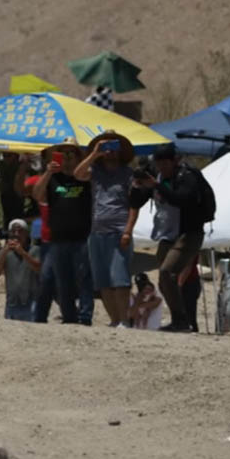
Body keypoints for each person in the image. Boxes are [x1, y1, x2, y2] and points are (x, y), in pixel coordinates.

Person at [134, 143, 212, 332]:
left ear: (174, 161)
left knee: (167, 272)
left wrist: (157, 185)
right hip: (167, 235)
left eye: (165, 164)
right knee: (164, 280)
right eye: (158, 164)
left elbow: (182, 199)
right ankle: (180, 319)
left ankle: (182, 320)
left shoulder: (187, 177)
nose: (162, 168)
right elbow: (136, 201)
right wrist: (138, 185)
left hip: (188, 234)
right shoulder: (158, 177)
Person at [73, 131, 144, 328]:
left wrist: (128, 230)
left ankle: (124, 320)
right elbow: (78, 174)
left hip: (119, 231)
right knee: (102, 280)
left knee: (119, 279)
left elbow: (134, 205)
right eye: (106, 148)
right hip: (97, 232)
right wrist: (94, 154)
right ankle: (114, 320)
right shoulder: (95, 171)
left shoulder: (128, 174)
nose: (110, 152)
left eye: (114, 148)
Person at [33, 139, 94, 325]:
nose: (67, 158)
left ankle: (85, 316)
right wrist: (49, 171)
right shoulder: (53, 178)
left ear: (78, 157)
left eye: (71, 154)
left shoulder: (84, 177)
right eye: (63, 154)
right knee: (63, 280)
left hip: (81, 237)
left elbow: (89, 175)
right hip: (58, 238)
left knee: (84, 278)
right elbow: (37, 194)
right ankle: (69, 317)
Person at [18, 152, 55, 323]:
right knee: (44, 276)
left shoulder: (73, 178)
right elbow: (20, 189)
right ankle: (40, 316)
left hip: (68, 235)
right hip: (44, 234)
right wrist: (23, 166)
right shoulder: (39, 178)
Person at [0, 219, 41, 322]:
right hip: (11, 304)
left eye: (20, 231)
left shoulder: (35, 250)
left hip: (31, 303)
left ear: (26, 234)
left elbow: (38, 268)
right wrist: (4, 253)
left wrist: (23, 253)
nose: (16, 234)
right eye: (13, 231)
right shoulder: (5, 252)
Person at [0, 152, 26, 233]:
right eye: (4, 156)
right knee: (7, 216)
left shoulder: (20, 163)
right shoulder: (0, 164)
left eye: (9, 156)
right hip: (5, 192)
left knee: (18, 216)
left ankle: (19, 234)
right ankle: (7, 233)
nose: (7, 158)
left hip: (18, 193)